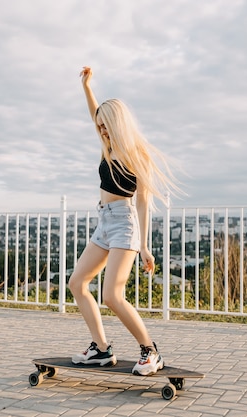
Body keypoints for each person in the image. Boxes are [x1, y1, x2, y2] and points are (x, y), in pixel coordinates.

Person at [69, 66, 179, 376]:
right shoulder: (107, 145)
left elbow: (143, 201)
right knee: (77, 283)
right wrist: (87, 87)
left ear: (117, 123)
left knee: (112, 295)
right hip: (103, 223)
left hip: (125, 225)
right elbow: (94, 114)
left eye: (106, 125)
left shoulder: (135, 154)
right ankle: (101, 349)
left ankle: (150, 350)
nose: (101, 129)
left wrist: (144, 245)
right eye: (99, 126)